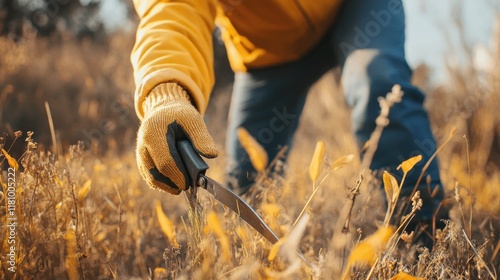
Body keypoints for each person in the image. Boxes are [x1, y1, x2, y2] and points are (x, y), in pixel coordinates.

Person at [131, 0, 448, 244]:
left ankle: (426, 240)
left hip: (357, 10)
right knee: (247, 180)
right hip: (268, 53)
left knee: (379, 83)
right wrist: (166, 93)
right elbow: (169, 13)